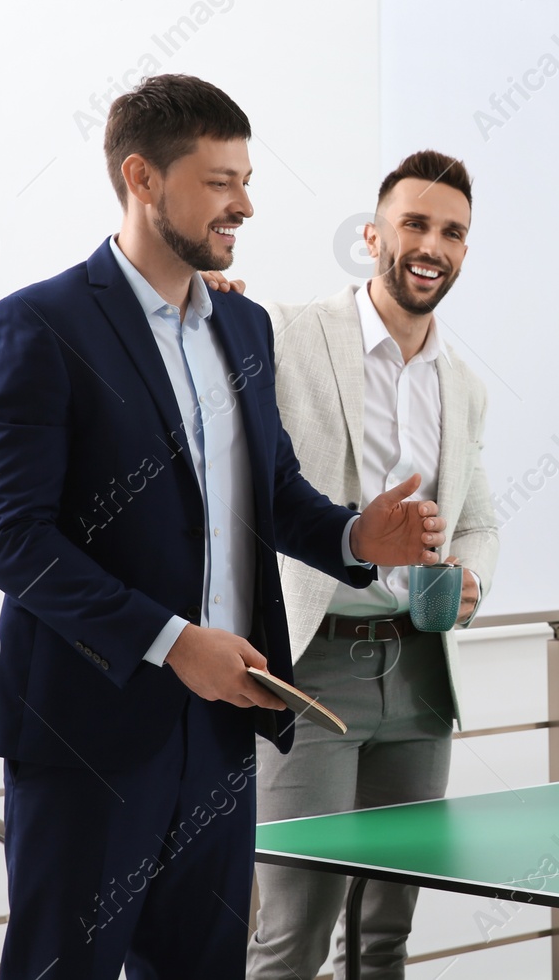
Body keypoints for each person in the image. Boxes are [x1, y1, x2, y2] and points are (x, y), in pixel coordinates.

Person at [0, 74, 447, 980]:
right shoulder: (39, 325)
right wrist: (174, 642)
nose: (246, 204)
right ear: (143, 179)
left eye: (248, 178)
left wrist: (355, 538)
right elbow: (11, 539)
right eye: (222, 181)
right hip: (86, 731)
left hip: (225, 729)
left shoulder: (247, 326)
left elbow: (274, 491)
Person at [206, 149, 499, 980]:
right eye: (415, 223)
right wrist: (212, 308)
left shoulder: (464, 385)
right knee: (292, 934)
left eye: (452, 232)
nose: (431, 244)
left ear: (463, 252)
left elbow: (479, 520)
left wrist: (474, 575)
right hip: (312, 665)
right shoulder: (288, 330)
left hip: (418, 676)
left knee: (384, 933)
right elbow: (213, 389)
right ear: (374, 234)